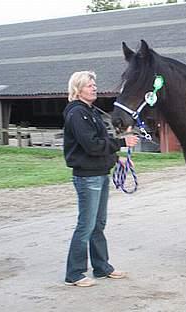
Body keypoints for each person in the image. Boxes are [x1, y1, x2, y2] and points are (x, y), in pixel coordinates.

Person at [63, 71, 138, 287]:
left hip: (99, 173)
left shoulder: (90, 112)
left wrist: (117, 160)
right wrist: (123, 143)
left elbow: (101, 142)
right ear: (77, 89)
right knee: (86, 225)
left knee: (98, 224)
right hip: (87, 177)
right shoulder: (77, 114)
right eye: (89, 85)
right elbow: (92, 145)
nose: (94, 88)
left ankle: (101, 267)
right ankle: (74, 273)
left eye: (94, 84)